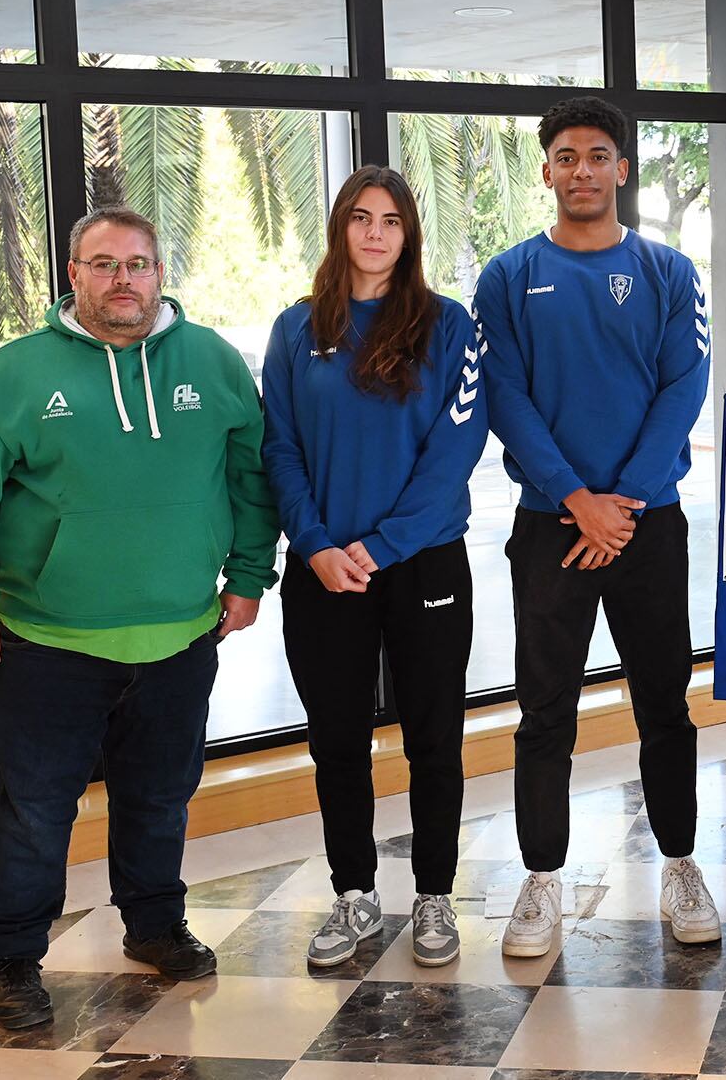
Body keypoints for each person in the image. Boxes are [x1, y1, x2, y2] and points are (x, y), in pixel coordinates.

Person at [0, 207, 280, 1029]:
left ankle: (155, 924)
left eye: (139, 263)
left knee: (161, 796)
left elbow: (250, 477)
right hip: (46, 641)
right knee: (34, 808)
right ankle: (15, 958)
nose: (123, 279)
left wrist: (250, 574)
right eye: (103, 264)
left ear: (161, 273)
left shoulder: (213, 361)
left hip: (182, 634)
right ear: (75, 274)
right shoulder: (12, 374)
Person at [475, 95, 716, 956]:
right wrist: (580, 500)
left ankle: (683, 865)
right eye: (566, 156)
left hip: (648, 525)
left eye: (598, 155)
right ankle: (541, 880)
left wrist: (624, 504)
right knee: (545, 711)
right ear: (547, 170)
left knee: (665, 704)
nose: (582, 169)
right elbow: (506, 398)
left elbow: (683, 386)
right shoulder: (507, 276)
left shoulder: (670, 272)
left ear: (623, 169)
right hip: (553, 526)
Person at [261, 166, 489, 969]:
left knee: (435, 737)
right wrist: (316, 544)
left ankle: (433, 895)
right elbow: (279, 449)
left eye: (391, 220)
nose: (374, 233)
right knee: (338, 742)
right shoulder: (296, 330)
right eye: (360, 217)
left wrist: (383, 544)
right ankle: (354, 892)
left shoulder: (450, 325)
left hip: (421, 562)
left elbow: (455, 451)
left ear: (409, 234)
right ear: (340, 228)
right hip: (323, 570)